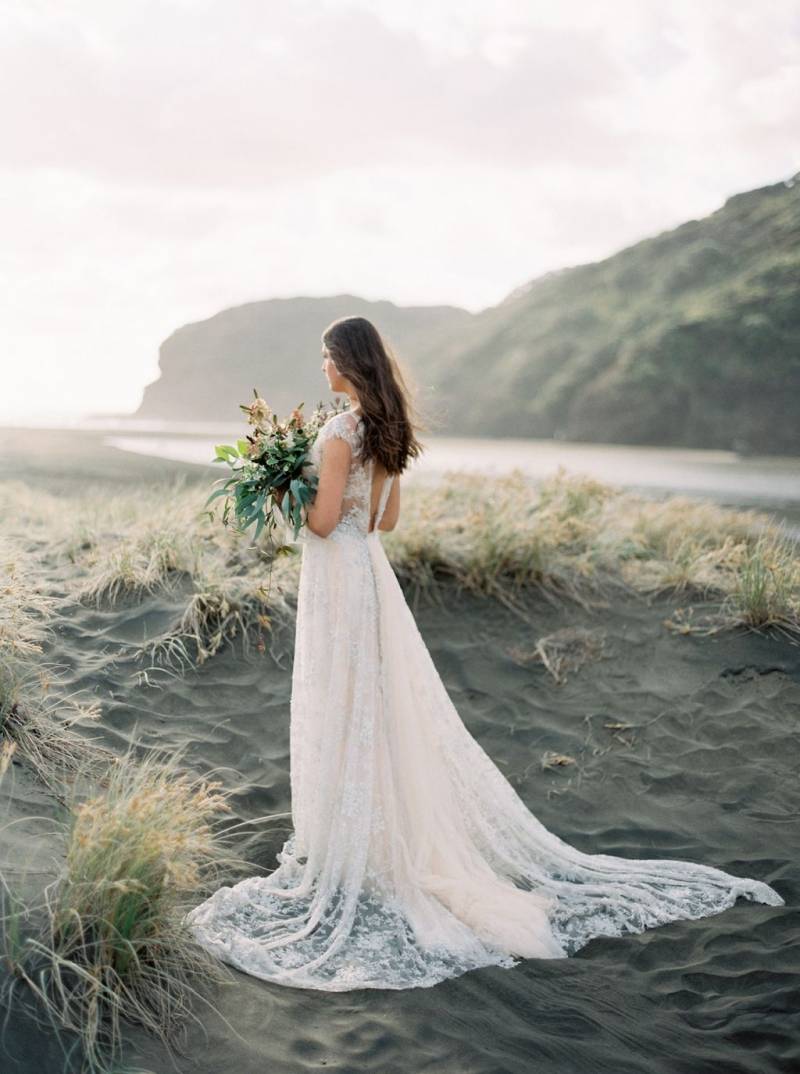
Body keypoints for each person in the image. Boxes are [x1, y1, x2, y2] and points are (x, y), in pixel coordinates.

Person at [184, 316, 784, 991]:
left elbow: (324, 523)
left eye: (326, 358)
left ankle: (360, 842)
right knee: (375, 702)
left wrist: (284, 494)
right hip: (369, 576)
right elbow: (384, 521)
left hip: (339, 580)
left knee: (345, 700)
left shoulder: (335, 433)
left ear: (346, 363)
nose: (321, 368)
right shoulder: (386, 428)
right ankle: (379, 831)